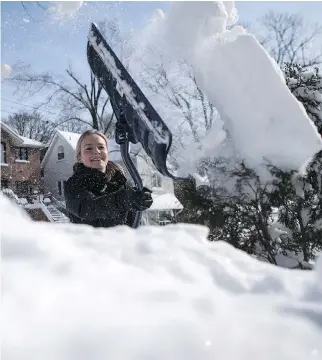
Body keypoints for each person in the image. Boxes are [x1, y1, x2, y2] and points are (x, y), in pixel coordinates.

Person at [64, 129, 153, 228]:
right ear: (80, 156)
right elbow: (87, 209)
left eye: (101, 147)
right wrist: (125, 199)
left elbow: (132, 223)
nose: (96, 151)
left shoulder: (120, 182)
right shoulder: (74, 184)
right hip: (88, 242)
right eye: (89, 148)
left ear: (107, 152)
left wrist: (140, 201)